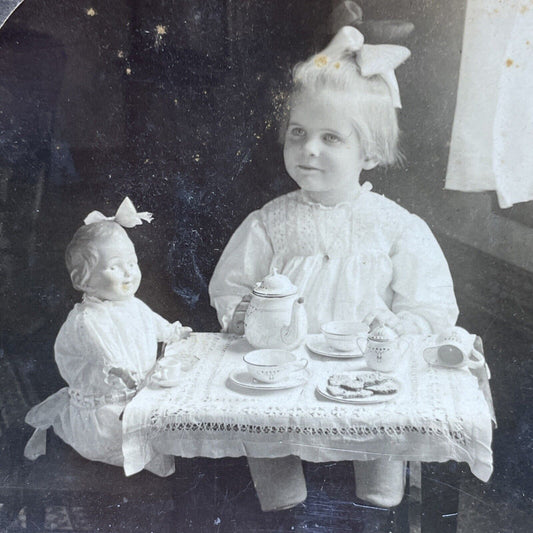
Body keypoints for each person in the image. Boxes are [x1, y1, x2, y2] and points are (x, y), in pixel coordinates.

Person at [209, 27, 459, 509]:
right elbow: (233, 285)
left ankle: (379, 502)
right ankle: (283, 509)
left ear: (370, 153)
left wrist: (399, 324)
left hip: (366, 376)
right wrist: (238, 314)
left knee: (380, 476)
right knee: (268, 444)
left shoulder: (394, 226)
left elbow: (430, 303)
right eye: (298, 133)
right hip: (284, 375)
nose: (309, 150)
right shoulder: (270, 222)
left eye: (330, 138)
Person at [24, 198, 191, 476]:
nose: (129, 272)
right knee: (158, 434)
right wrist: (121, 371)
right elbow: (107, 356)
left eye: (132, 262)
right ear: (83, 280)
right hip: (105, 413)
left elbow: (155, 324)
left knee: (176, 416)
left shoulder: (132, 304)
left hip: (135, 398)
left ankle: (180, 472)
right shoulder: (87, 321)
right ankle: (167, 477)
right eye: (115, 267)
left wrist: (174, 333)